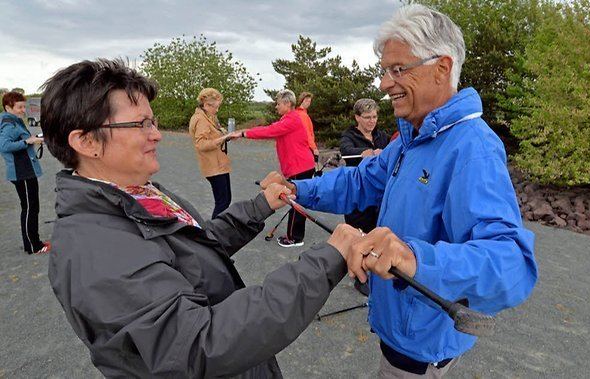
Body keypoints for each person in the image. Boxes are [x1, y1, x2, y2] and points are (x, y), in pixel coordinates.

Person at [260, 4, 537, 377]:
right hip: (398, 330)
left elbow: (512, 262)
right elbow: (359, 181)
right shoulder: (412, 137)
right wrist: (297, 188)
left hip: (419, 348)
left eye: (398, 69)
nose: (384, 83)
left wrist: (414, 258)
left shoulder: (473, 147)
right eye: (384, 70)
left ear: (441, 68)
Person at [41, 58, 361, 378]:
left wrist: (259, 206)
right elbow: (198, 345)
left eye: (153, 122)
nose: (157, 135)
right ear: (86, 142)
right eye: (141, 124)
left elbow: (195, 250)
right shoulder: (97, 247)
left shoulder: (139, 194)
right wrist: (326, 261)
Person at [232, 89, 315, 248]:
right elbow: (271, 128)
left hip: (301, 166)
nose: (276, 106)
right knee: (295, 200)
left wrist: (243, 133)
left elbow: (269, 131)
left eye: (278, 103)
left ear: (287, 104)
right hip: (298, 166)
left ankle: (295, 237)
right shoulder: (287, 118)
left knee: (296, 201)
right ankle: (295, 235)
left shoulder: (292, 119)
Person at [0, 91, 50, 255]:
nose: (23, 110)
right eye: (20, 107)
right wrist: (27, 141)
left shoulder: (14, 121)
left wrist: (34, 138)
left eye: (24, 106)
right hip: (22, 171)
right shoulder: (8, 124)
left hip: (25, 170)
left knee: (30, 206)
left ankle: (32, 242)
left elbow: (18, 141)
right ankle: (34, 245)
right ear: (8, 107)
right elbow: (5, 146)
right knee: (29, 207)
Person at [340, 98, 390, 232]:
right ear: (357, 117)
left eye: (374, 116)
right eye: (367, 117)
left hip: (379, 194)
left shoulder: (382, 135)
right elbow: (346, 150)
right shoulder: (348, 136)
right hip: (357, 194)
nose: (372, 121)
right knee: (357, 235)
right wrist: (365, 153)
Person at [189, 88, 232, 219]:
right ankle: (215, 232)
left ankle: (218, 229)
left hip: (219, 165)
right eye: (216, 107)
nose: (217, 110)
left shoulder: (210, 117)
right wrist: (222, 139)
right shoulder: (201, 120)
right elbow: (201, 144)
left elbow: (216, 132)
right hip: (213, 166)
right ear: (206, 105)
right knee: (222, 202)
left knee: (225, 200)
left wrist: (227, 135)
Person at [296, 91, 319, 162]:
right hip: (305, 147)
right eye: (307, 101)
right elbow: (307, 133)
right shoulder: (302, 115)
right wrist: (314, 148)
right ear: (302, 101)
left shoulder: (299, 113)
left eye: (309, 101)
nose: (308, 103)